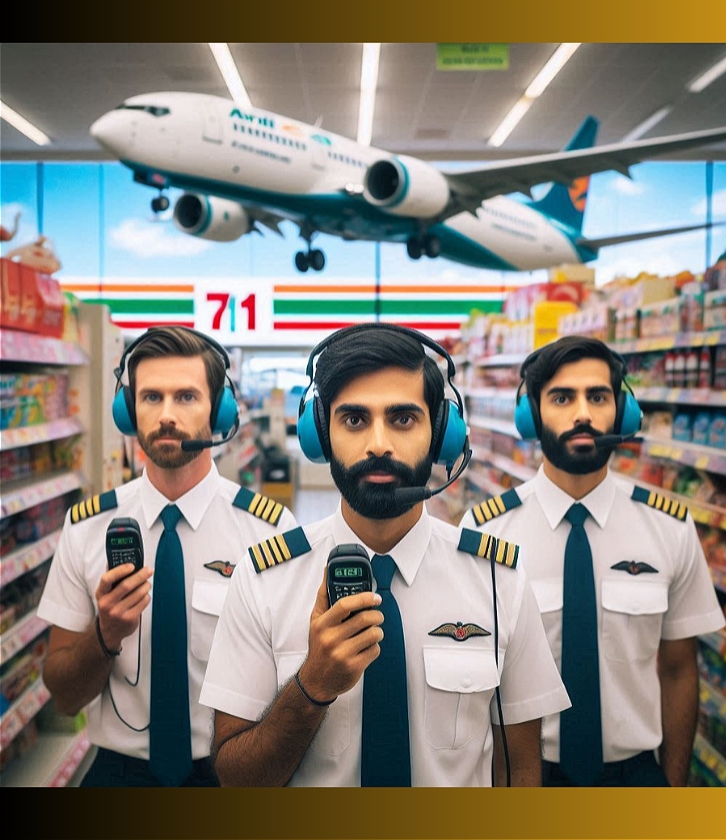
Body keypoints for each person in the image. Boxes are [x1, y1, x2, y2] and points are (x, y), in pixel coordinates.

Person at [200, 322, 570, 787]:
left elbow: (518, 766)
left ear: (441, 434)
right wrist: (311, 685)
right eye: (354, 420)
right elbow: (235, 778)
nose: (379, 443)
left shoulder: (499, 578)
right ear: (321, 435)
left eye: (403, 419)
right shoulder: (262, 578)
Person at [459, 335, 726, 787]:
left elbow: (680, 670)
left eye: (598, 397)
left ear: (622, 413)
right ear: (531, 415)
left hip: (636, 777)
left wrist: (675, 789)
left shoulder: (669, 527)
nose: (582, 413)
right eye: (562, 397)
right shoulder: (486, 534)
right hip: (524, 775)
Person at [37, 325, 297, 787]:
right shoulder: (86, 528)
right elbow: (63, 695)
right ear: (128, 410)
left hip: (232, 774)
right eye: (151, 397)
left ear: (218, 411)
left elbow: (293, 691)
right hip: (119, 773)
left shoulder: (271, 534)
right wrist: (105, 633)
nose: (167, 415)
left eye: (186, 397)